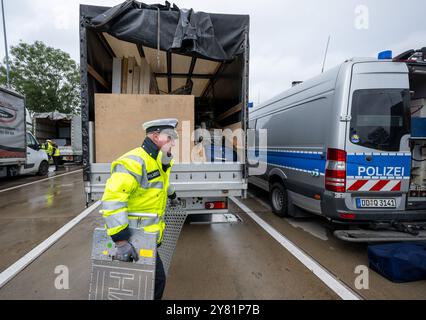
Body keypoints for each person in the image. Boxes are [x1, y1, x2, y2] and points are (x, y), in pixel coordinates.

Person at [100, 118, 180, 300]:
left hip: (147, 236)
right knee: (155, 282)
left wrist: (172, 195)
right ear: (155, 136)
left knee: (147, 282)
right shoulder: (133, 162)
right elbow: (113, 199)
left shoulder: (158, 160)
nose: (173, 143)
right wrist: (120, 241)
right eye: (170, 138)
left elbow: (161, 182)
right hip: (133, 237)